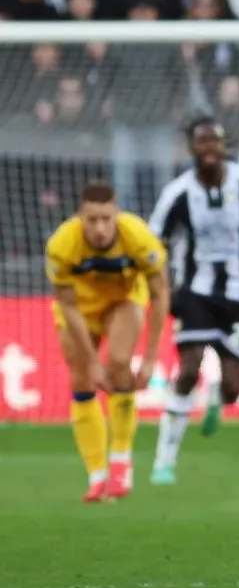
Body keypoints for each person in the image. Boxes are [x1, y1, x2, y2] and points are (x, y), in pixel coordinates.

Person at [147, 117, 239, 485]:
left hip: (238, 294)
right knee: (189, 369)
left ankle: (219, 398)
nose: (208, 148)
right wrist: (165, 290)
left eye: (214, 141)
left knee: (235, 388)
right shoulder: (178, 192)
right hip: (194, 292)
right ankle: (164, 461)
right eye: (200, 141)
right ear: (190, 148)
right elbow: (152, 243)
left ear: (224, 146)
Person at [44, 182, 170, 502]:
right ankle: (96, 474)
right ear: (79, 218)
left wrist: (152, 356)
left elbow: (160, 293)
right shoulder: (61, 246)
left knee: (118, 362)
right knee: (82, 379)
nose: (99, 228)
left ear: (117, 215)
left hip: (122, 302)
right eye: (92, 220)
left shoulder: (138, 238)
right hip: (80, 311)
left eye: (105, 219)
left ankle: (120, 460)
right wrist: (90, 362)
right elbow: (67, 305)